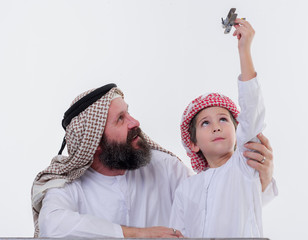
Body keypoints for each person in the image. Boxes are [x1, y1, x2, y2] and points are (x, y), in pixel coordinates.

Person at [31, 28, 276, 239]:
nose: (134, 122)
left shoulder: (166, 169)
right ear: (94, 142)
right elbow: (53, 226)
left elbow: (213, 201)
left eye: (128, 113)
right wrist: (140, 234)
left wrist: (259, 181)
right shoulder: (69, 186)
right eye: (120, 119)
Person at [169, 19, 277, 238]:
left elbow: (252, 110)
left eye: (224, 120)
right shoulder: (186, 190)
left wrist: (244, 50)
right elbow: (178, 234)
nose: (216, 127)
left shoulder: (244, 166)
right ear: (193, 144)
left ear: (238, 133)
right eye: (205, 123)